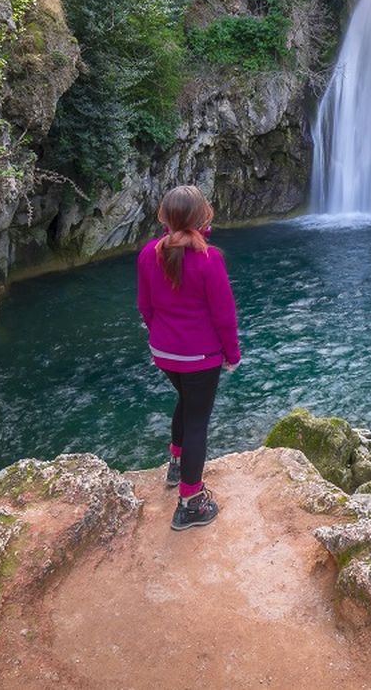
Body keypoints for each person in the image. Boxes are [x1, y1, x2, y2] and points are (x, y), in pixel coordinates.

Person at [136, 185, 241, 530]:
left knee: (186, 401)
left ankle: (177, 465)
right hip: (200, 356)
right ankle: (191, 503)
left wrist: (160, 336)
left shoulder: (149, 253)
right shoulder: (209, 259)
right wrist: (232, 354)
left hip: (164, 353)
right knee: (198, 420)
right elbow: (224, 315)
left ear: (164, 217)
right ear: (202, 216)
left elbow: (145, 306)